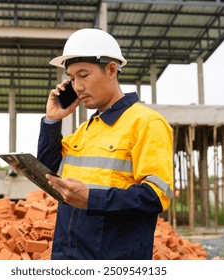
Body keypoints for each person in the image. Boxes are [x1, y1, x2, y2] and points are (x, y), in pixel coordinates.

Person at [37, 28, 174, 260]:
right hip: (68, 257)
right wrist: (52, 120)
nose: (77, 86)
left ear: (111, 70)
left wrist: (91, 199)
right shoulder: (86, 129)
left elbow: (155, 197)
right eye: (72, 78)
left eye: (84, 75)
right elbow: (49, 171)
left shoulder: (147, 123)